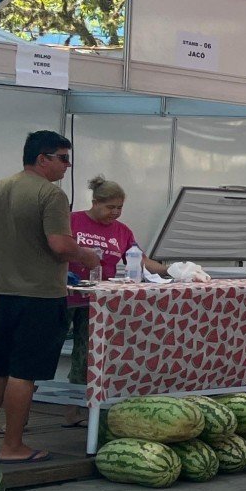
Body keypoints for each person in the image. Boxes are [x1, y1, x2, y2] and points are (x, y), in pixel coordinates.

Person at [0, 130, 81, 463]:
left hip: (2, 293)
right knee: (24, 372)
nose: (67, 166)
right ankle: (13, 445)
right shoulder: (51, 195)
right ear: (42, 158)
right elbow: (60, 246)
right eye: (63, 158)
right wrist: (86, 256)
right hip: (40, 295)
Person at [63, 176, 168, 425]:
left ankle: (75, 410)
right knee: (43, 349)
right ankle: (20, 413)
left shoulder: (122, 231)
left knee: (86, 352)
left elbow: (140, 260)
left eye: (120, 207)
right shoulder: (72, 221)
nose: (116, 213)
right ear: (95, 202)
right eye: (110, 207)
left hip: (97, 300)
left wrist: (173, 270)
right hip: (63, 294)